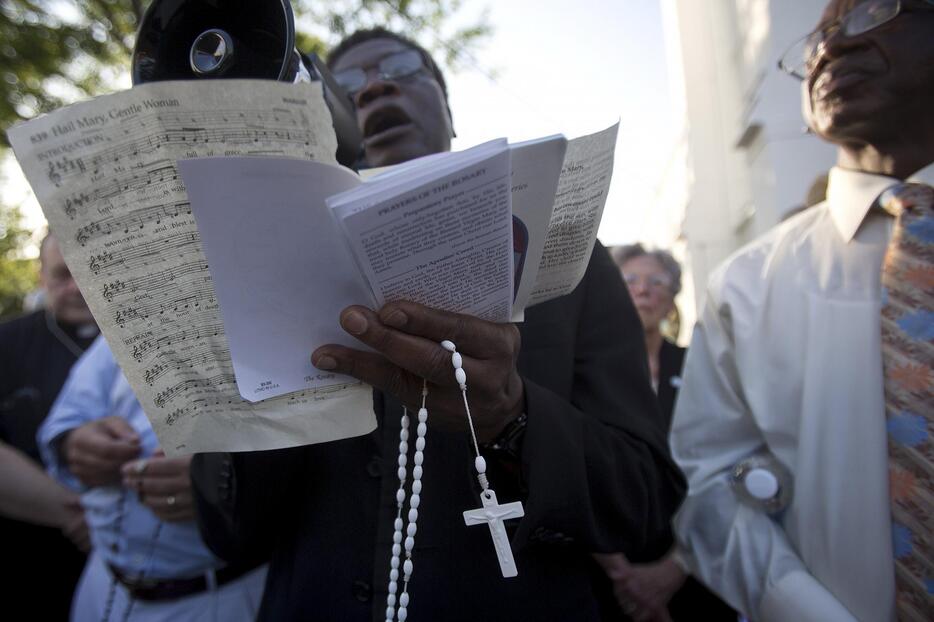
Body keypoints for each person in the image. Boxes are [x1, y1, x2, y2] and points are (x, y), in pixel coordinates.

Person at [190, 27, 687, 621]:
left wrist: (513, 415)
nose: (375, 88)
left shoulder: (566, 248)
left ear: (450, 110)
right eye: (347, 86)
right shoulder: (261, 270)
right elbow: (227, 534)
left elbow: (645, 502)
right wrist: (260, 388)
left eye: (401, 67)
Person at [670, 1, 934, 620]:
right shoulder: (744, 286)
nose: (831, 50)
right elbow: (708, 488)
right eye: (816, 42)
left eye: (872, 14)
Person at [38, 335, 267, 622]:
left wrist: (223, 481)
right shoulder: (140, 306)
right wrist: (74, 444)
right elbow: (66, 418)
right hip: (102, 585)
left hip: (219, 598)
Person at [592, 245, 734, 622]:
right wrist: (623, 575)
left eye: (657, 282)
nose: (643, 290)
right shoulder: (588, 376)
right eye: (631, 281)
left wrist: (677, 567)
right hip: (610, 574)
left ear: (672, 301)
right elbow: (577, 470)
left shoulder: (699, 366)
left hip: (697, 567)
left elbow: (726, 461)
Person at [0, 233, 97, 620]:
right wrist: (77, 516)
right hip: (34, 555)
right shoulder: (6, 343)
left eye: (87, 274)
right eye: (62, 275)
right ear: (41, 276)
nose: (76, 288)